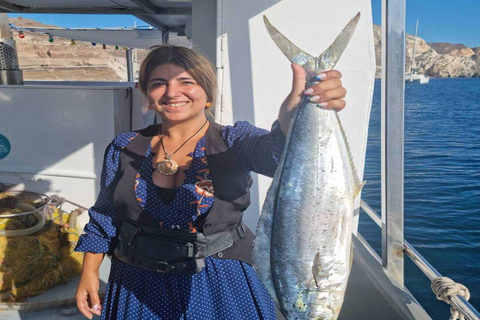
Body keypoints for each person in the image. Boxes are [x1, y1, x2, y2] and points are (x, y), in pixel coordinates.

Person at [75, 44, 347, 320]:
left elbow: (276, 153)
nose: (172, 92)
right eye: (159, 83)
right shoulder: (124, 146)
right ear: (145, 92)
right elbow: (105, 216)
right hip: (136, 282)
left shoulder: (235, 140)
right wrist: (90, 273)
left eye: (186, 82)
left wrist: (294, 119)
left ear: (207, 92)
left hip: (222, 282)